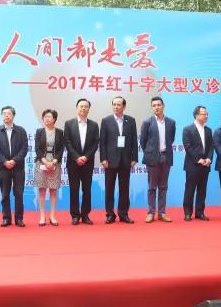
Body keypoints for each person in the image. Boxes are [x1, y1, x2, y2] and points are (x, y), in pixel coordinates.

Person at [100, 96, 138, 224]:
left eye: (118, 104)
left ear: (124, 106)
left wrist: (134, 158)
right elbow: (102, 142)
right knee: (109, 188)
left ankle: (123, 214)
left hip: (126, 160)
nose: (116, 107)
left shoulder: (130, 120)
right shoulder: (106, 121)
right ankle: (110, 214)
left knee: (124, 188)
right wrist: (103, 158)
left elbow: (134, 141)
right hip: (110, 160)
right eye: (114, 104)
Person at [140, 96, 176, 223]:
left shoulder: (171, 122)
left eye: (158, 105)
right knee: (152, 187)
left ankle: (162, 213)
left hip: (166, 157)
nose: (156, 107)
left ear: (163, 106)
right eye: (154, 105)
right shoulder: (147, 122)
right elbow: (143, 141)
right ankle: (151, 212)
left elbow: (171, 139)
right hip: (152, 158)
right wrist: (150, 152)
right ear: (151, 108)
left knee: (163, 187)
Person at [64, 98, 100, 225]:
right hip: (73, 163)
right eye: (81, 106)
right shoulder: (69, 124)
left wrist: (86, 157)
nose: (83, 108)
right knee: (74, 189)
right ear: (77, 108)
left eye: (86, 106)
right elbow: (67, 142)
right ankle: (75, 215)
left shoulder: (94, 125)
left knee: (87, 189)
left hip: (87, 163)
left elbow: (95, 143)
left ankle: (85, 215)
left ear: (89, 109)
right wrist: (76, 157)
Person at [0, 106, 28, 227]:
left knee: (19, 193)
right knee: (5, 193)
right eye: (4, 113)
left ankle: (19, 218)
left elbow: (24, 149)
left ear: (13, 116)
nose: (6, 115)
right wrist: (4, 161)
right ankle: (6, 218)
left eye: (8, 113)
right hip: (3, 167)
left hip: (18, 167)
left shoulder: (21, 131)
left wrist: (14, 161)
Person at [182, 106, 214, 221]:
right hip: (192, 165)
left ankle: (200, 212)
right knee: (190, 189)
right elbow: (188, 147)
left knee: (202, 190)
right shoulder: (187, 129)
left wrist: (209, 159)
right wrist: (198, 159)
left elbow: (211, 146)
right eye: (204, 114)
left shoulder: (208, 130)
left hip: (206, 165)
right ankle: (187, 213)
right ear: (196, 115)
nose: (206, 116)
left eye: (207, 114)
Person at [34, 109, 64, 226]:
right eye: (45, 117)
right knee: (42, 190)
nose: (47, 119)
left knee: (53, 190)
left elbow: (61, 148)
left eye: (49, 117)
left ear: (54, 119)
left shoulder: (60, 132)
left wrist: (54, 161)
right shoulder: (39, 132)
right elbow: (37, 149)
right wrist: (45, 161)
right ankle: (42, 216)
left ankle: (52, 216)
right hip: (41, 163)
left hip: (55, 164)